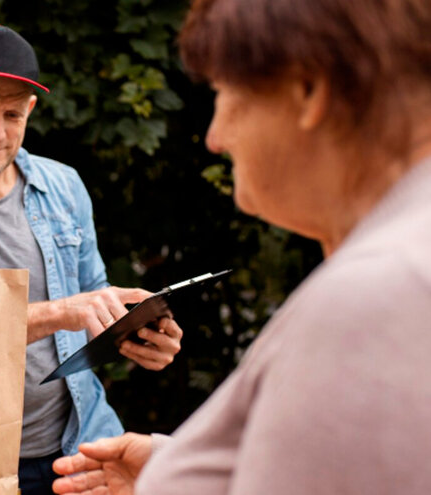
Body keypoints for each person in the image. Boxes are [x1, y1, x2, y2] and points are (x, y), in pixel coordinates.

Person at [51, 0, 431, 493]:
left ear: (308, 89)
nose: (215, 137)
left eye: (225, 93)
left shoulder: (373, 295)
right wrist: (182, 467)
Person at [0, 24, 183, 495]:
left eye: (12, 115)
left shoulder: (64, 187)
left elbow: (95, 300)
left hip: (81, 447)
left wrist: (138, 335)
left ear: (30, 112)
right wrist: (64, 312)